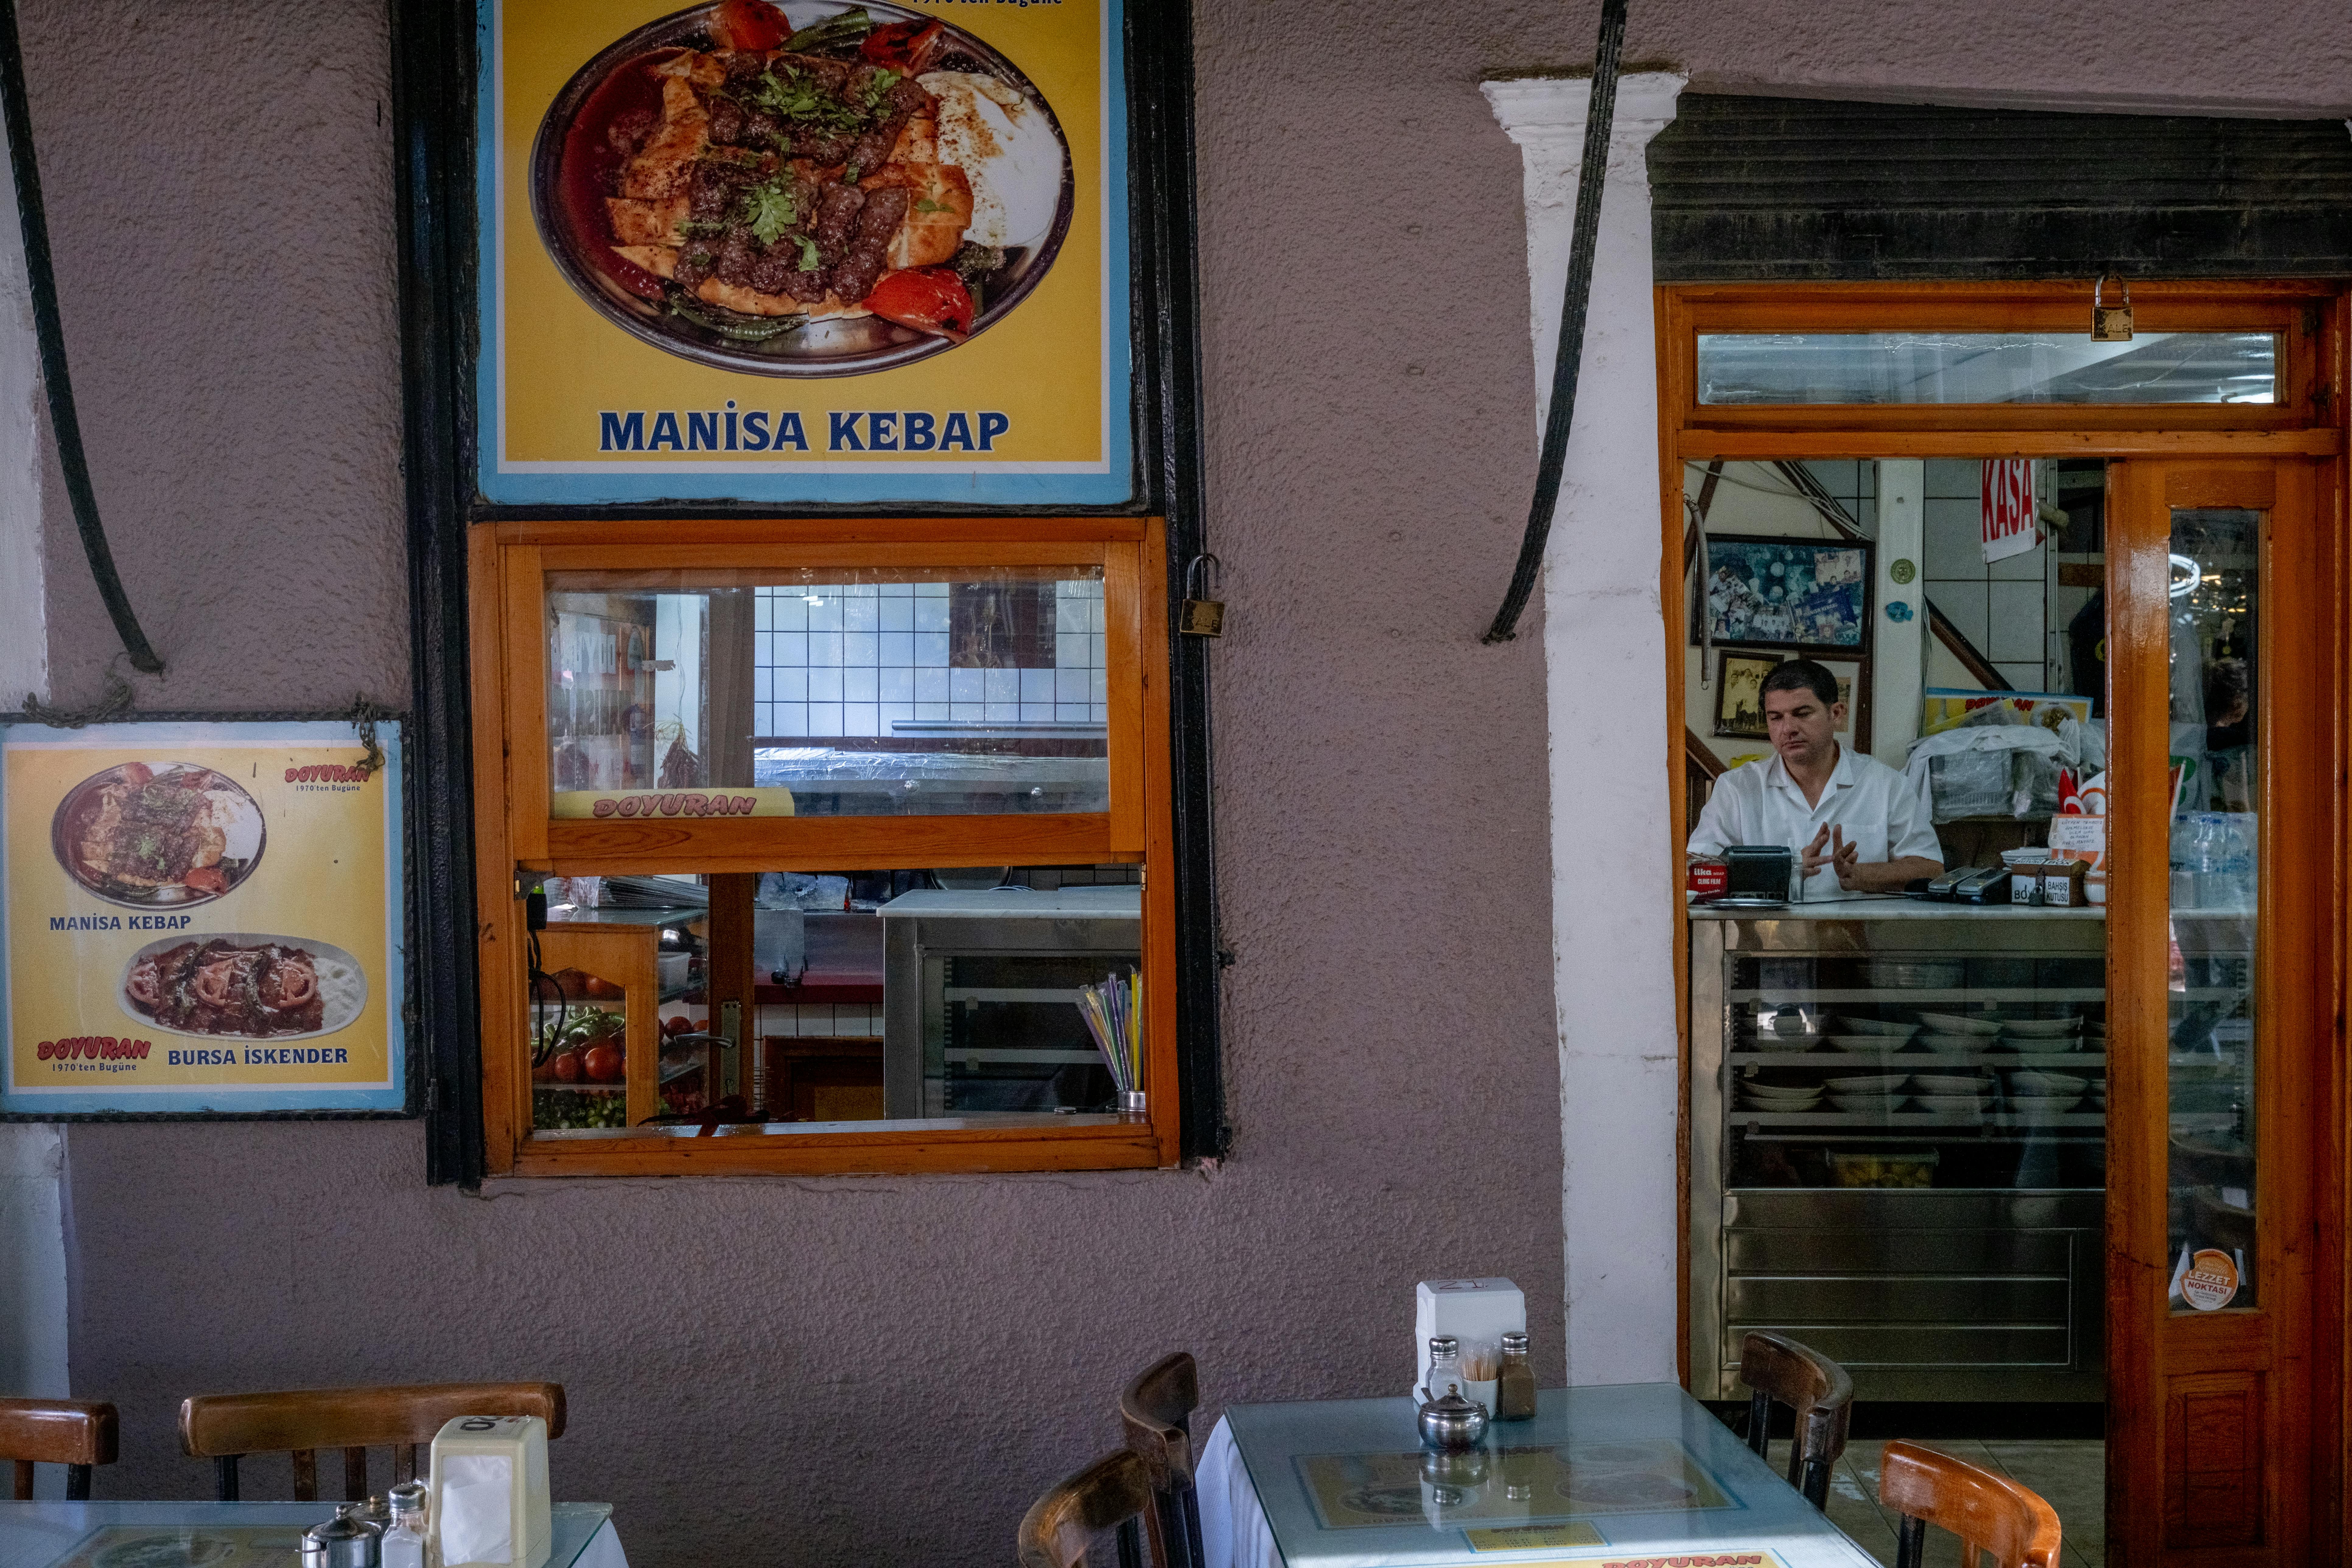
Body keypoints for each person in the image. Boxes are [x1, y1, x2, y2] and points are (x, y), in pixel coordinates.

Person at [1690, 659, 1944, 900]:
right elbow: (1697, 870)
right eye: (1776, 717)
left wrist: (1861, 875)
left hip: (1864, 939)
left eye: (1802, 714)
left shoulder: (1886, 784)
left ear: (1836, 713)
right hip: (1759, 939)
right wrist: (1785, 870)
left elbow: (1931, 868)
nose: (1788, 729)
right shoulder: (1737, 788)